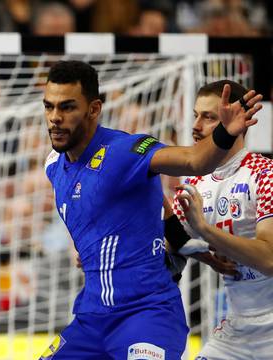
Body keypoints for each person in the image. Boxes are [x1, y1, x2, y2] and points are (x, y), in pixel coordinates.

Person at [38, 60, 262, 359]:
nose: (55, 118)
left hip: (146, 316)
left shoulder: (126, 150)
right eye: (49, 107)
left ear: (93, 109)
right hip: (91, 319)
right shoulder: (53, 165)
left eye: (67, 107)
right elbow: (138, 202)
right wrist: (180, 241)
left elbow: (195, 160)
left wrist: (225, 132)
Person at [173, 80, 273, 360]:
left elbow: (269, 259)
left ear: (238, 123)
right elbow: (167, 241)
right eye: (196, 115)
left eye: (209, 117)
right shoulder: (193, 183)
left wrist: (204, 231)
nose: (196, 126)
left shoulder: (265, 175)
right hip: (237, 330)